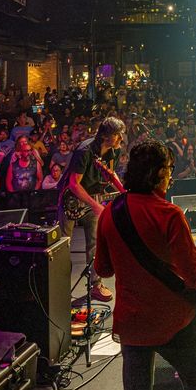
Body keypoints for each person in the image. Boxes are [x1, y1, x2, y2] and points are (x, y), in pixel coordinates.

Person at [93, 140, 196, 390]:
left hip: (133, 326)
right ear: (160, 173)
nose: (170, 177)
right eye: (170, 171)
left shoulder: (110, 213)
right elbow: (195, 276)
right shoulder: (170, 215)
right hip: (175, 322)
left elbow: (104, 269)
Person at [61, 117, 127, 302]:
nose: (121, 138)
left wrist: (124, 192)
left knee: (95, 244)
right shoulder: (85, 150)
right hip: (71, 200)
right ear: (106, 136)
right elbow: (74, 184)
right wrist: (95, 204)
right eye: (117, 134)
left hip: (92, 198)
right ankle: (60, 288)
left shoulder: (113, 150)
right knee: (63, 246)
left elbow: (110, 173)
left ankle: (95, 285)